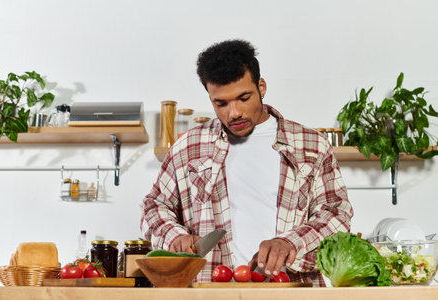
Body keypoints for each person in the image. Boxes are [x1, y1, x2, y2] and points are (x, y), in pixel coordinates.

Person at [141, 39, 353, 286]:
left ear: (261, 87)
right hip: (210, 291)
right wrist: (173, 235)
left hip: (291, 289)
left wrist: (290, 242)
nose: (234, 113)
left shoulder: (311, 144)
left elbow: (337, 212)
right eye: (221, 103)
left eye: (243, 98)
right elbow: (154, 206)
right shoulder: (188, 146)